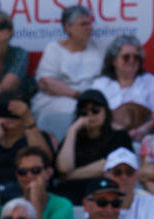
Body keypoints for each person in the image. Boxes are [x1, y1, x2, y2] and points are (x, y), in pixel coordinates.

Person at [30, 6, 103, 136]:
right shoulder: (54, 49)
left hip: (91, 99)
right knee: (76, 111)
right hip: (59, 98)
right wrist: (80, 96)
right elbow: (47, 82)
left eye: (90, 23)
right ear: (67, 27)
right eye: (83, 24)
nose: (89, 28)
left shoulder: (97, 49)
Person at [56, 90, 132, 203]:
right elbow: (63, 168)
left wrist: (69, 176)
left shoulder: (119, 136)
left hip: (105, 191)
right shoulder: (72, 138)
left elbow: (107, 166)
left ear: (106, 112)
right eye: (84, 112)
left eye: (95, 110)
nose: (90, 115)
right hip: (72, 193)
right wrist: (72, 130)